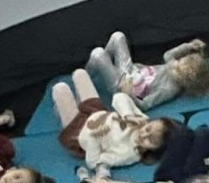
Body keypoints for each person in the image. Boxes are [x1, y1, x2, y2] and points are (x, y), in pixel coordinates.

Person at [50, 68, 181, 169]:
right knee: (80, 73)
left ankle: (64, 113)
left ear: (153, 151)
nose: (143, 134)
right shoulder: (141, 121)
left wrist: (94, 137)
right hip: (96, 111)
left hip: (79, 132)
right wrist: (128, 115)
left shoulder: (128, 154)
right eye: (148, 129)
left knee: (60, 88)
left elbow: (93, 162)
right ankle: (78, 104)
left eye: (150, 140)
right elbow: (119, 97)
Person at [87, 31, 209, 109]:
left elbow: (145, 105)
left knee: (98, 54)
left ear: (184, 79)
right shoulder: (173, 67)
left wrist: (128, 94)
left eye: (179, 66)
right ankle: (97, 69)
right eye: (180, 61)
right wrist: (188, 46)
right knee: (118, 36)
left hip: (123, 86)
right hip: (130, 70)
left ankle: (85, 76)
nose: (174, 63)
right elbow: (168, 55)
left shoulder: (169, 89)